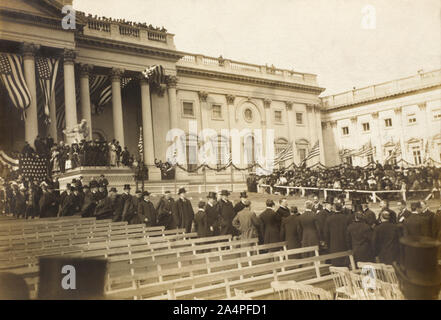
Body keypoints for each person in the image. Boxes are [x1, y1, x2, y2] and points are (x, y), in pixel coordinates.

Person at [324, 202, 350, 267]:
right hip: (344, 243)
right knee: (344, 263)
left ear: (334, 208)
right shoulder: (346, 218)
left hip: (333, 243)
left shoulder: (329, 219)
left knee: (335, 263)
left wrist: (328, 244)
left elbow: (326, 233)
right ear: (341, 208)